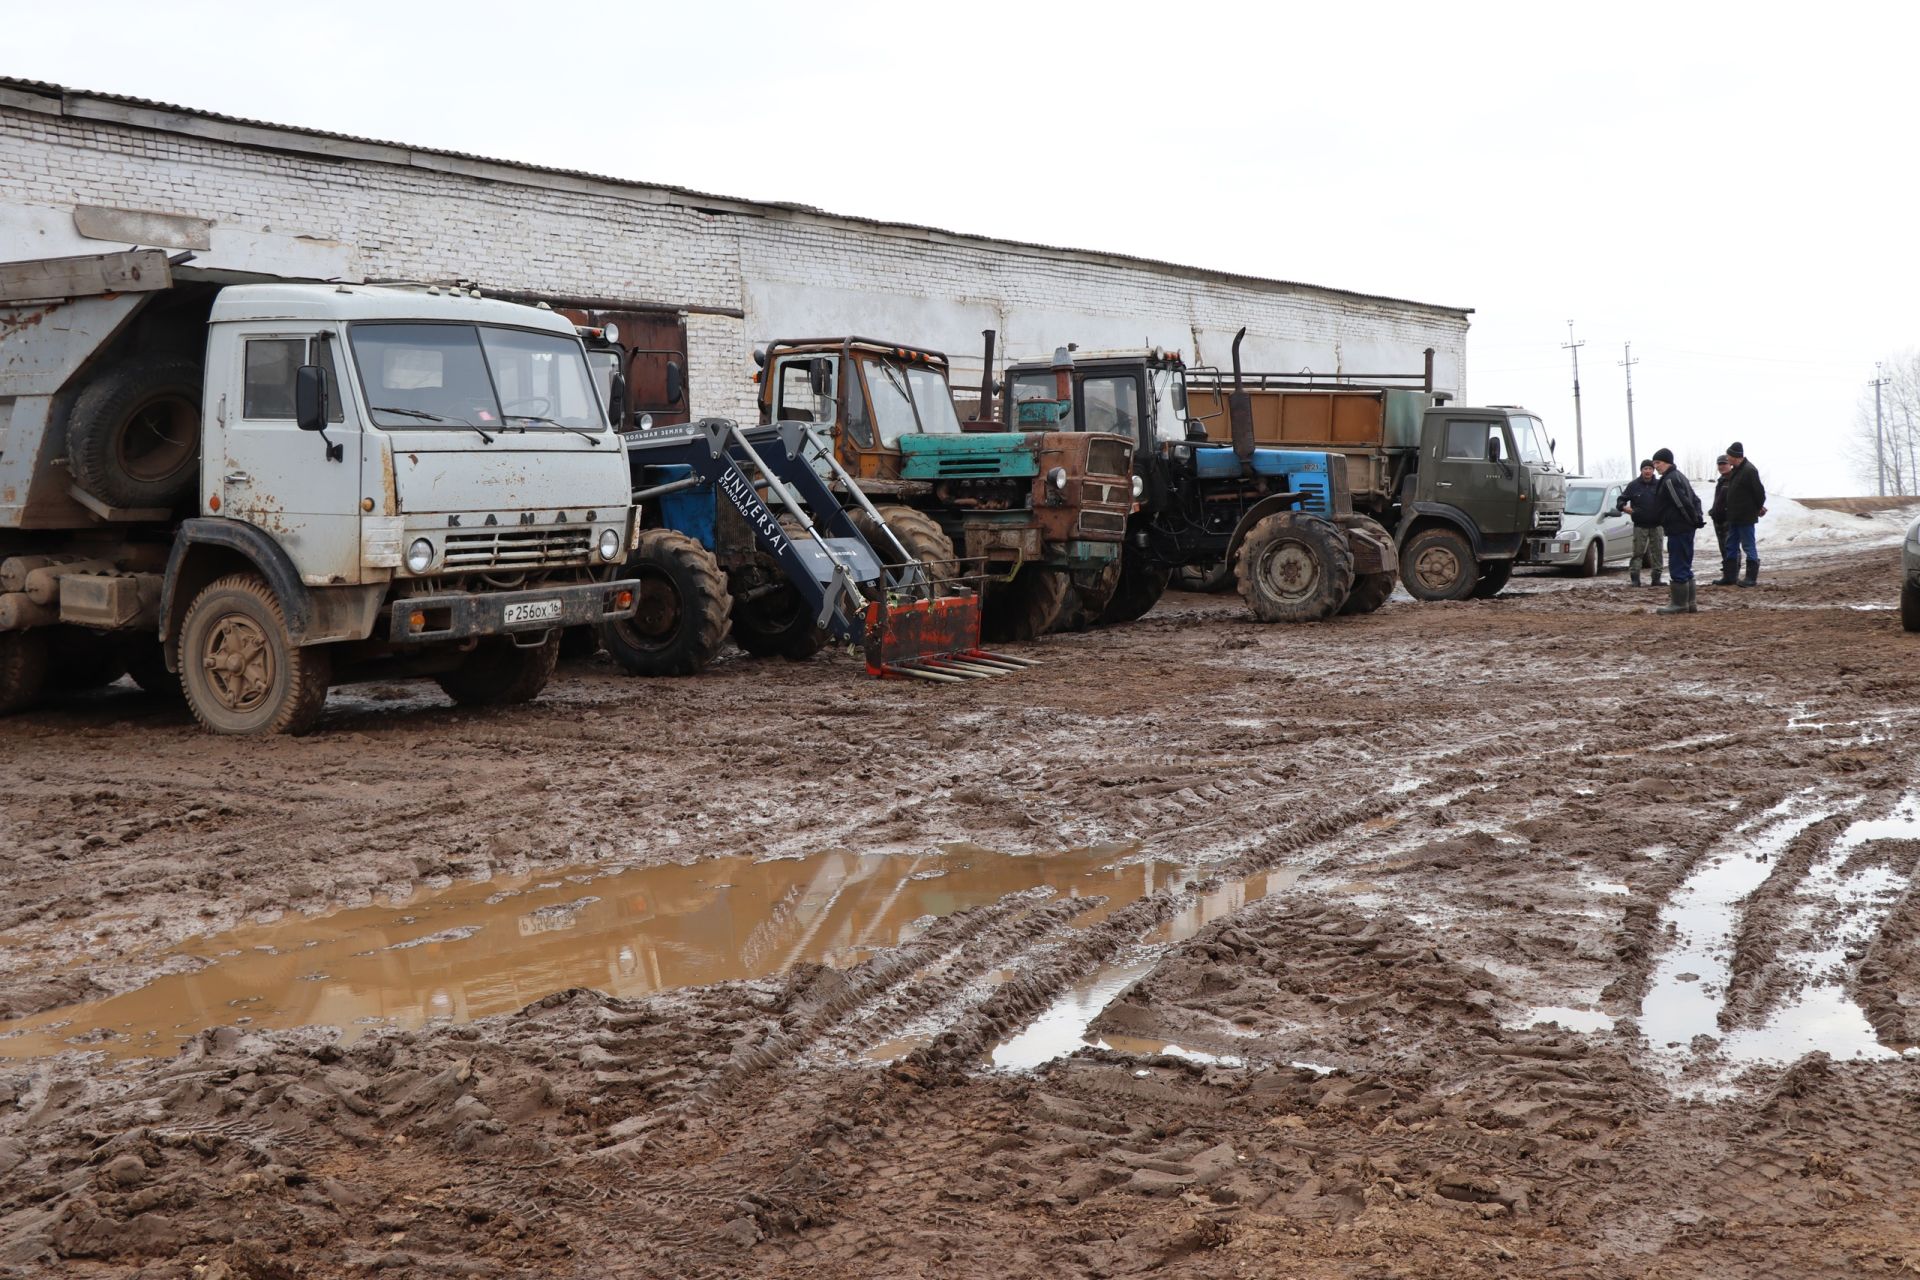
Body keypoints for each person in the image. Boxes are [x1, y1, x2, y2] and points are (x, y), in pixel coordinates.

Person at [1647, 447, 1705, 614]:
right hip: (1684, 527)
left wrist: (1692, 520)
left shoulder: (1670, 480)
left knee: (1678, 564)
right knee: (1685, 564)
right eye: (1654, 463)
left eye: (1658, 462)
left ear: (1667, 462)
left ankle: (1679, 604)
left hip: (1679, 528)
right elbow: (1695, 499)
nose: (1655, 466)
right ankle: (1690, 603)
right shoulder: (1680, 477)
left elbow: (1683, 503)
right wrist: (1696, 520)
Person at [1714, 441, 1767, 587]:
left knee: (1748, 545)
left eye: (1728, 456)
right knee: (1730, 545)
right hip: (1734, 517)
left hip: (1745, 517)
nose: (1727, 458)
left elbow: (1759, 493)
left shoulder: (1749, 470)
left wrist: (1757, 508)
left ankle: (1751, 578)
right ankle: (1729, 576)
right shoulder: (1737, 470)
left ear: (1735, 456)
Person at [1615, 460, 1664, 587]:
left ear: (1653, 470)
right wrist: (1624, 508)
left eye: (1650, 468)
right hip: (1640, 525)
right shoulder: (1633, 485)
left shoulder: (1660, 484)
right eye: (1645, 469)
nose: (1647, 471)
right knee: (1637, 553)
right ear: (1641, 470)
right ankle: (1635, 579)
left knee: (1657, 552)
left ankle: (1656, 579)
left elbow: (1668, 501)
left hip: (1657, 525)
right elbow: (1621, 500)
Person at [1708, 455, 1732, 577]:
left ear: (1730, 464)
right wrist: (1714, 510)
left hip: (1729, 519)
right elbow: (1719, 499)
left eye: (1724, 464)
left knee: (1730, 545)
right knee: (1723, 545)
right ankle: (1727, 568)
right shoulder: (1721, 480)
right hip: (1718, 518)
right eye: (1719, 464)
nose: (1722, 466)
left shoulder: (1734, 479)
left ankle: (1732, 571)